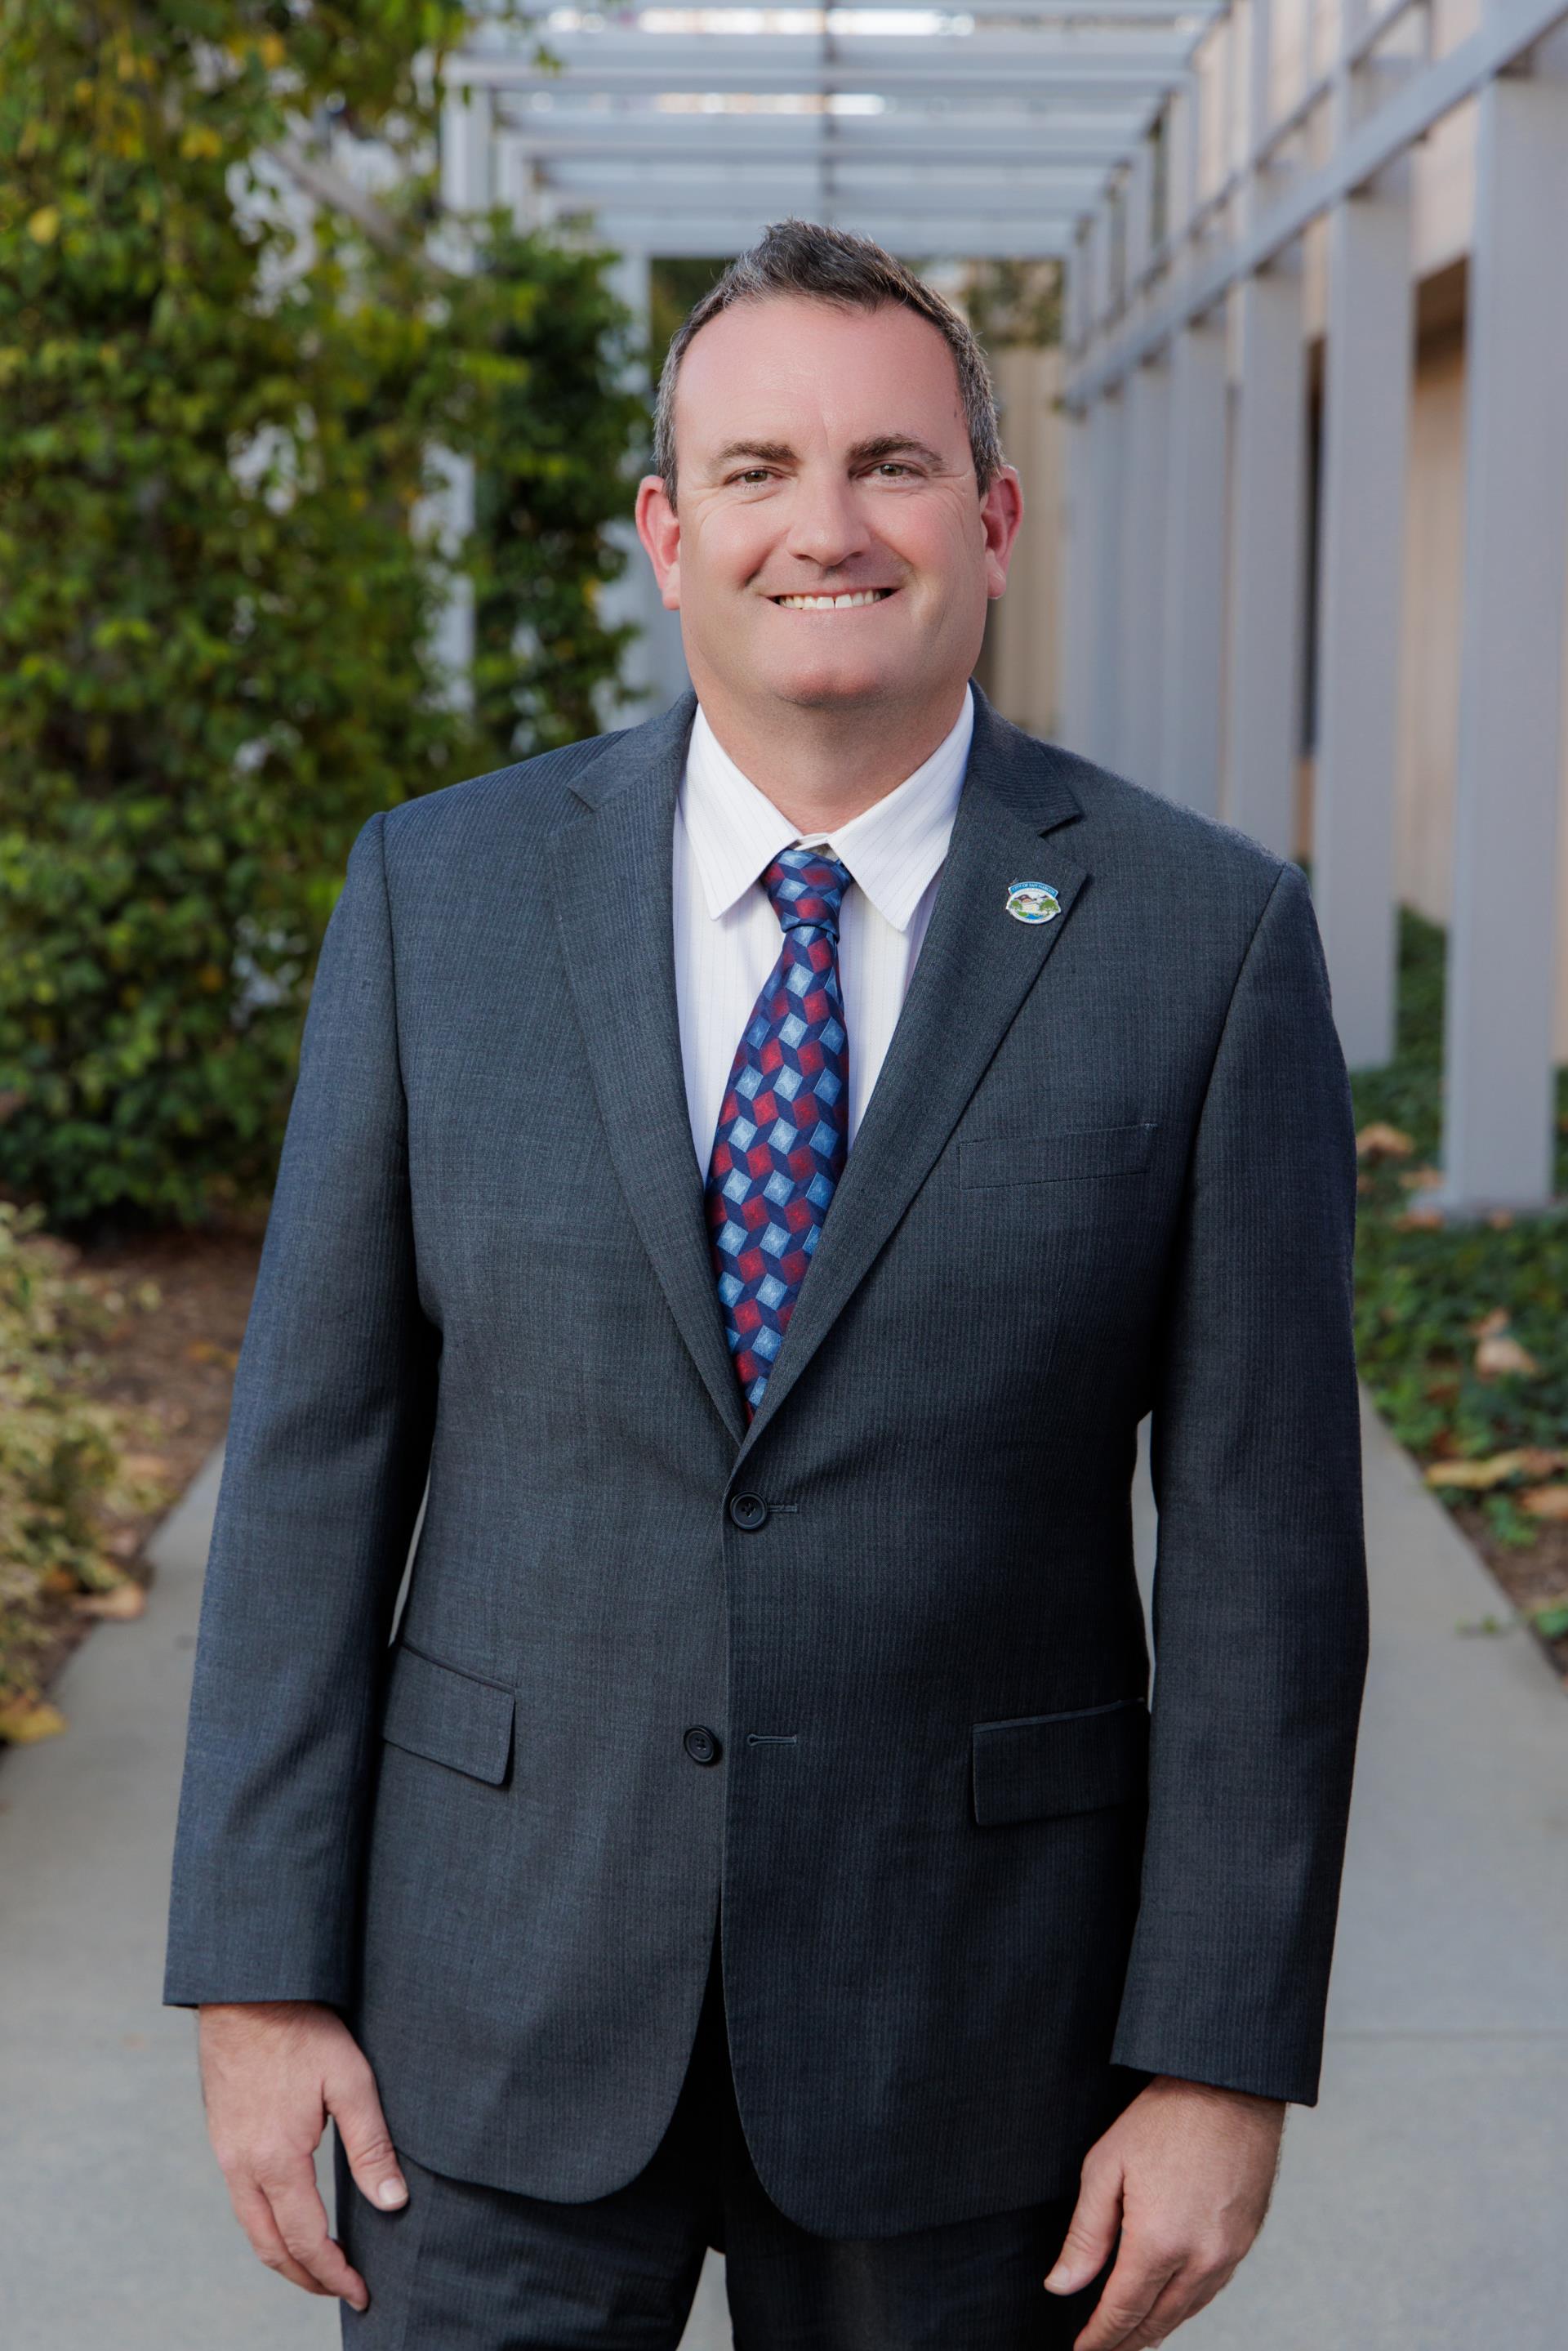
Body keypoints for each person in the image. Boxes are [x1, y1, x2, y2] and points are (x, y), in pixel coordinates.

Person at [164, 220, 1369, 2350]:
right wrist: (259, 1978)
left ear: (991, 519)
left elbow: (1268, 1549)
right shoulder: (438, 900)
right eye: (757, 471)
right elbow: (316, 1461)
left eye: (895, 466)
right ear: (665, 530)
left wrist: (1219, 2057)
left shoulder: (1209, 940)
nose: (829, 527)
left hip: (985, 2033)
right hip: (488, 2026)